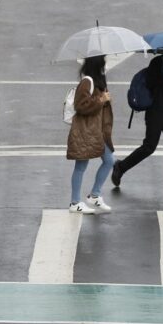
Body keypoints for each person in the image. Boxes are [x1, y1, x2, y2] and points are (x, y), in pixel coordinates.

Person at [111, 50, 163, 191]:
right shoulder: (157, 62)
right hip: (155, 111)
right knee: (149, 147)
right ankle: (121, 167)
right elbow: (151, 83)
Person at [66, 54, 115, 213]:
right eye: (103, 61)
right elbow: (81, 105)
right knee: (81, 165)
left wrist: (105, 99)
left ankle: (95, 195)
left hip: (97, 131)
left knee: (109, 160)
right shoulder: (87, 81)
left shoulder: (98, 81)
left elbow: (97, 104)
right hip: (86, 131)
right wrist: (101, 100)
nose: (105, 64)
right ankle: (75, 203)